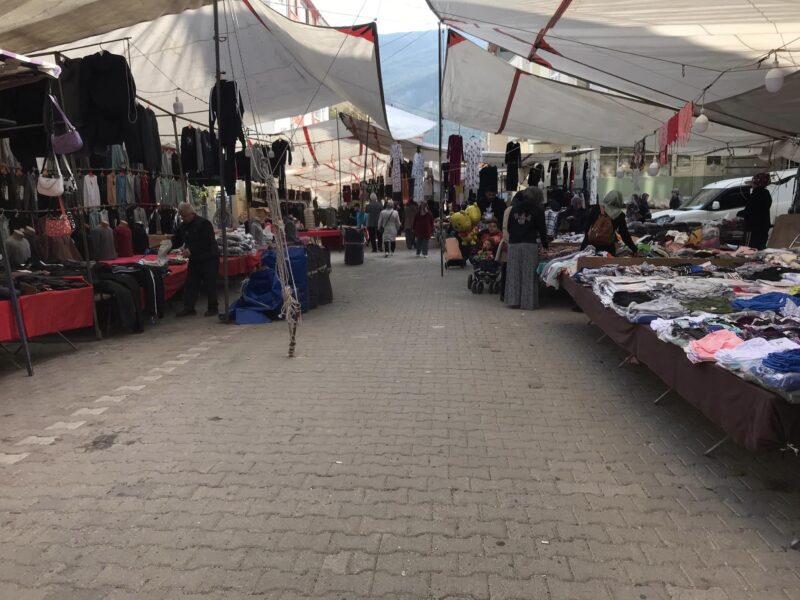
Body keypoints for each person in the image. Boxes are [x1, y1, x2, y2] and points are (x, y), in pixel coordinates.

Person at [505, 187, 549, 310]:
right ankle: (528, 302)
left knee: (514, 273)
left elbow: (509, 227)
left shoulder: (514, 209)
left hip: (514, 244)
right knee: (528, 274)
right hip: (529, 244)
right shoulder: (538, 210)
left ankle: (513, 300)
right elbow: (542, 229)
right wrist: (545, 245)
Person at [173, 202, 219, 317]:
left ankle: (213, 307)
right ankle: (189, 307)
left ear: (191, 213)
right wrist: (167, 245)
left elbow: (207, 241)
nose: (183, 219)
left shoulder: (204, 224)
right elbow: (177, 240)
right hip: (195, 258)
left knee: (210, 283)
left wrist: (191, 250)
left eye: (184, 216)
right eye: (181, 216)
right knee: (191, 283)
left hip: (209, 257)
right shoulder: (183, 226)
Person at [581, 190, 638, 256]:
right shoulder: (620, 215)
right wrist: (634, 249)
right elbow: (624, 234)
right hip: (607, 249)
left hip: (589, 246)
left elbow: (586, 227)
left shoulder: (595, 208)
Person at [738, 172, 772, 250]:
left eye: (753, 183)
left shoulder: (755, 195)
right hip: (764, 228)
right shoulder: (766, 194)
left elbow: (750, 211)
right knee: (760, 248)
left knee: (749, 249)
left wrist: (739, 213)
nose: (752, 185)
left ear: (757, 184)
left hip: (753, 229)